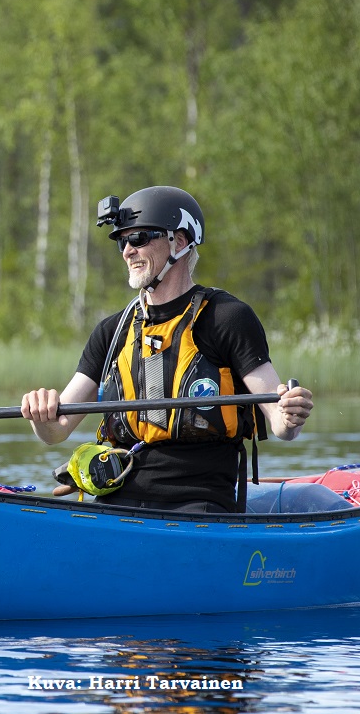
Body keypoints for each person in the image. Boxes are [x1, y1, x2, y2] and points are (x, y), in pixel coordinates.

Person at [19, 186, 314, 513]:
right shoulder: (111, 331)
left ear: (181, 241)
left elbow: (280, 423)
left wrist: (291, 414)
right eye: (122, 241)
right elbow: (55, 432)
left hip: (198, 502)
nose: (127, 251)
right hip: (118, 501)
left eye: (140, 238)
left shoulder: (226, 318)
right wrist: (40, 413)